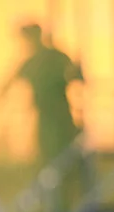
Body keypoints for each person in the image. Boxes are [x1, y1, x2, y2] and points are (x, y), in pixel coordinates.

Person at [7, 23, 83, 166]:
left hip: (57, 117)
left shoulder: (40, 60)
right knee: (56, 156)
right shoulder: (46, 58)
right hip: (50, 116)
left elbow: (76, 78)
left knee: (58, 156)